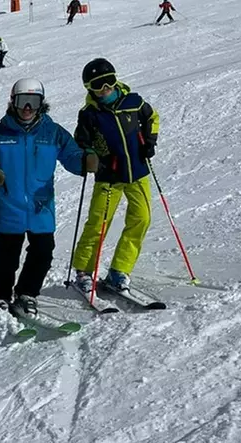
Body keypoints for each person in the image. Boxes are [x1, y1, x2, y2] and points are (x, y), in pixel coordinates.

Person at [0, 79, 95, 315]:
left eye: (33, 101)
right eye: (23, 101)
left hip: (41, 206)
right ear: (13, 102)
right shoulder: (0, 132)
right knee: (7, 256)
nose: (27, 108)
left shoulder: (53, 132)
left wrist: (83, 161)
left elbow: (71, 155)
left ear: (42, 103)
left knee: (43, 251)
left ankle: (27, 293)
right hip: (9, 204)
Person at [72, 58, 159, 293]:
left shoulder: (134, 102)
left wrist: (149, 142)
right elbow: (81, 141)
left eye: (108, 82)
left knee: (142, 218)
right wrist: (91, 156)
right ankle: (83, 271)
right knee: (98, 223)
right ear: (89, 88)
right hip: (108, 177)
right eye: (97, 85)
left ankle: (119, 270)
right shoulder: (90, 114)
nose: (104, 89)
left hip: (137, 172)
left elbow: (152, 118)